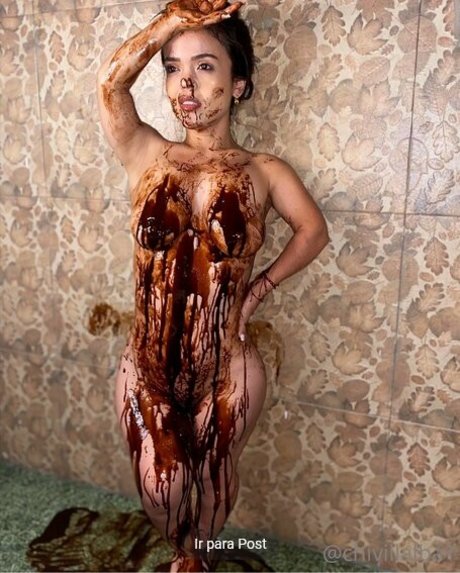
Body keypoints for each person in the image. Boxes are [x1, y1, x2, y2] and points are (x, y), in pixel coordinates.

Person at [97, 1, 329, 571]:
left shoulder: (264, 171)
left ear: (238, 84)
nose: (186, 83)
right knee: (163, 489)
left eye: (204, 66)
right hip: (147, 362)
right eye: (173, 67)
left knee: (212, 477)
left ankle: (196, 557)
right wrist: (168, 21)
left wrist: (260, 289)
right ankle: (184, 547)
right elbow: (111, 85)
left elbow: (313, 231)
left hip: (228, 364)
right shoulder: (146, 153)